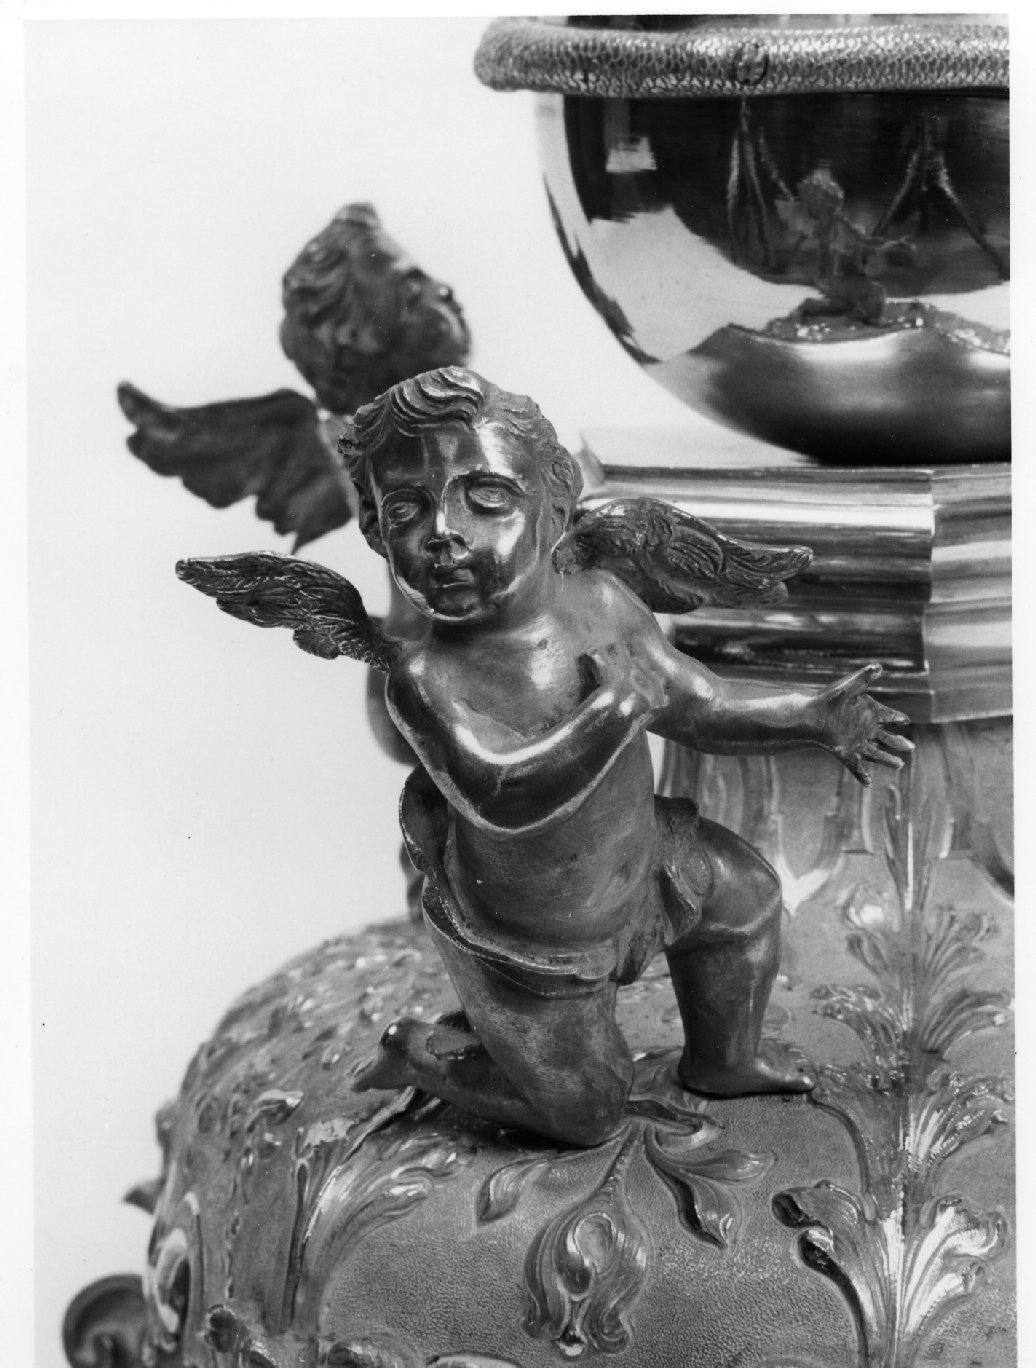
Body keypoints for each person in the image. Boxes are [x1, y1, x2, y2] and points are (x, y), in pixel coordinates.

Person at [333, 367, 910, 1147]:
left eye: (487, 496)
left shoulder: (601, 602)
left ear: (555, 506)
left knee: (745, 900)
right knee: (588, 1114)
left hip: (646, 861)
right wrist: (613, 710)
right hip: (533, 937)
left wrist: (808, 715)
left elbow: (697, 702)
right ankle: (424, 1054)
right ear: (376, 535)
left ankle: (724, 1059)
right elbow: (499, 792)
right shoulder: (427, 677)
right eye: (404, 509)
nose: (443, 530)